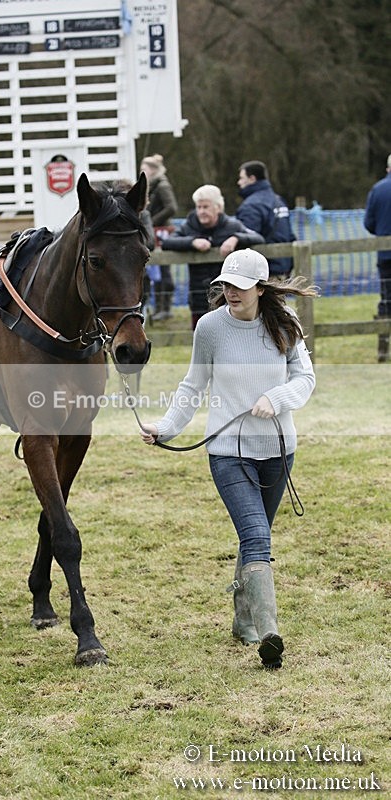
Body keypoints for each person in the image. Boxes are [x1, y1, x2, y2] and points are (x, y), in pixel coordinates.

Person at [140, 249, 317, 669]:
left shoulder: (285, 322)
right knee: (258, 537)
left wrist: (276, 399)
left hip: (278, 451)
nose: (230, 293)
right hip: (227, 453)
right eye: (226, 285)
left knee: (253, 537)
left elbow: (305, 378)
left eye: (239, 286)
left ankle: (243, 620)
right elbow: (192, 386)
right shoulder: (210, 328)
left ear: (260, 287)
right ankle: (269, 631)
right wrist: (166, 428)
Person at [161, 184, 264, 329]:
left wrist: (236, 238)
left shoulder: (232, 226)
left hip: (227, 295)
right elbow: (167, 242)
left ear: (218, 207)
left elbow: (258, 238)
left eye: (206, 207)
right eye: (199, 207)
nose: (201, 211)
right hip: (198, 297)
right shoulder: (189, 226)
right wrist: (192, 242)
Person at [236, 160, 296, 278]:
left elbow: (247, 239)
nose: (239, 182)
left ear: (252, 179)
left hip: (263, 273)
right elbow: (289, 235)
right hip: (283, 269)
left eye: (242, 178)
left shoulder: (251, 206)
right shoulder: (279, 201)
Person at [140, 154, 178, 321]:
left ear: (153, 170)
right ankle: (159, 308)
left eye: (144, 169)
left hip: (161, 230)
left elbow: (171, 207)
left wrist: (151, 222)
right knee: (157, 270)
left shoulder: (162, 186)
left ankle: (165, 307)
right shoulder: (154, 186)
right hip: (156, 229)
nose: (141, 172)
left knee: (164, 269)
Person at [363, 154, 391, 363]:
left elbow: (369, 223)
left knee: (387, 299)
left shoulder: (378, 190)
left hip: (386, 255)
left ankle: (383, 347)